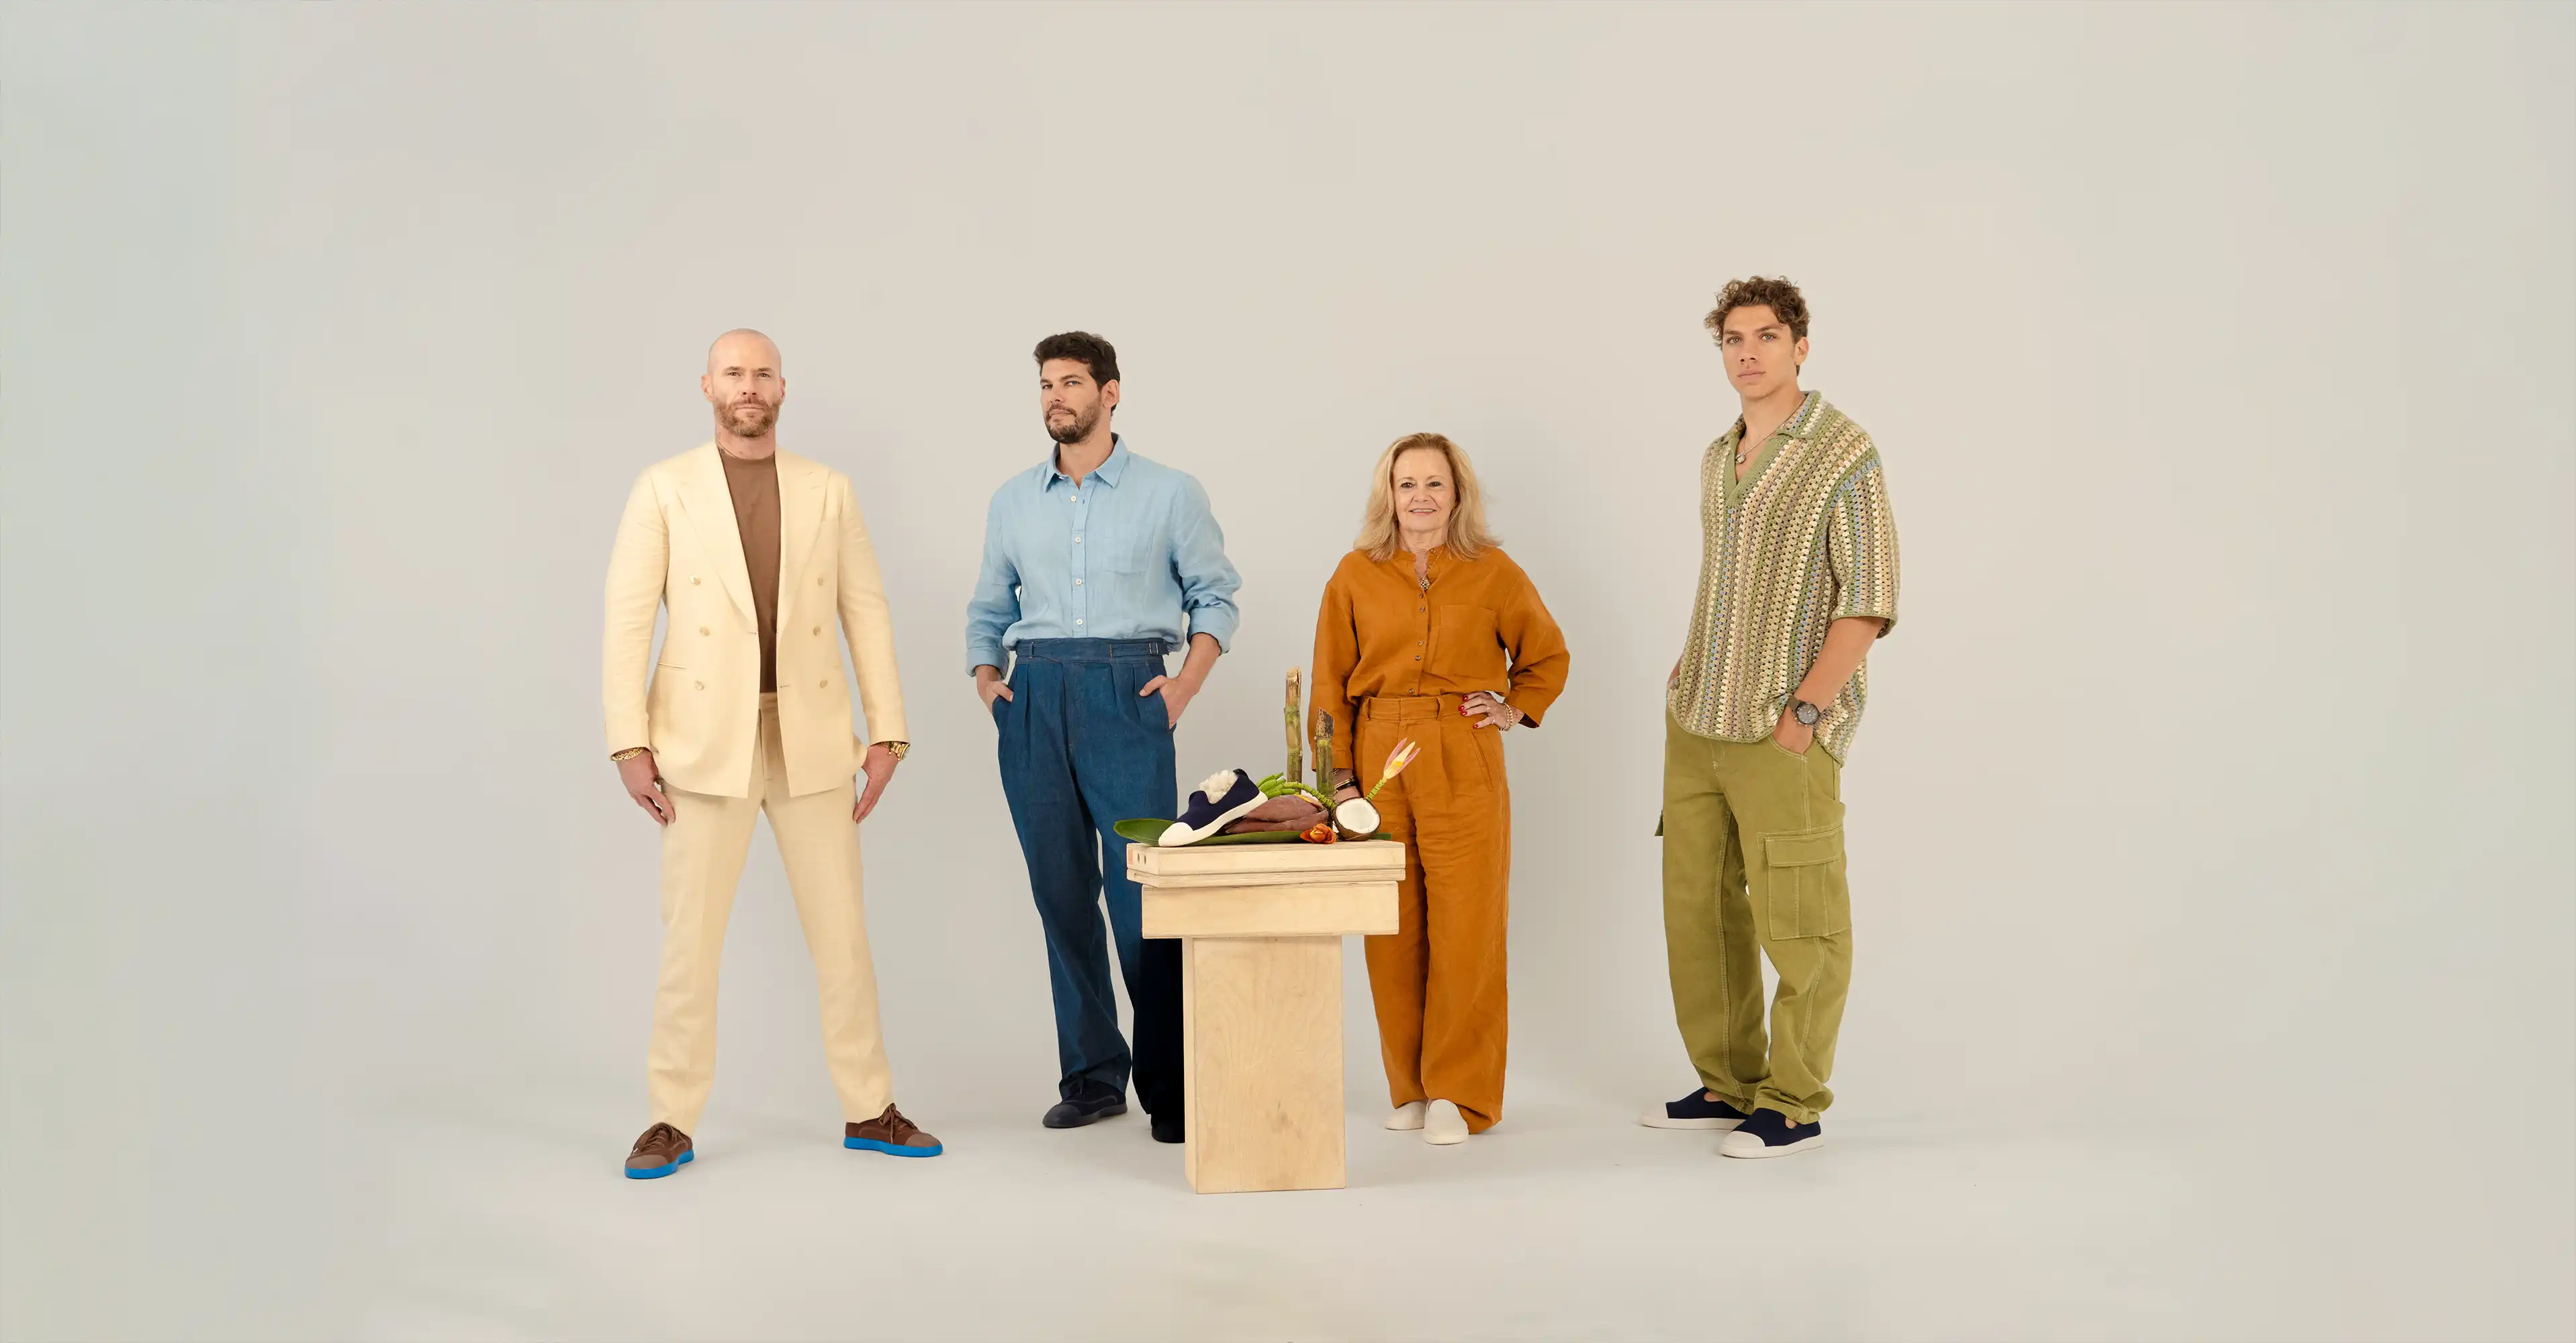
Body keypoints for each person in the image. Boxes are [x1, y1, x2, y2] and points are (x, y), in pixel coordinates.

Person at [602, 329, 940, 1178]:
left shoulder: (828, 490)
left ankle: (870, 1106)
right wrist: (628, 740)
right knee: (690, 940)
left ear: (782, 387)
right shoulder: (663, 488)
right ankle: (669, 1119)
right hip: (699, 738)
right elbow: (626, 620)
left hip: (813, 735)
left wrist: (888, 730)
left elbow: (868, 610)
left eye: (760, 373)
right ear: (706, 386)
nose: (746, 386)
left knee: (843, 935)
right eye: (732, 373)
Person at [1643, 277, 1900, 1158]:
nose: (1747, 352)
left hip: (1780, 727)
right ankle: (1728, 1080)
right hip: (1699, 715)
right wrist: (1687, 663)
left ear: (1800, 345)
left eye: (1765, 335)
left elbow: (1867, 601)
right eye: (1732, 339)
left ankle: (1793, 1100)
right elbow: (1727, 578)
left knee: (1802, 917)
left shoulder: (1844, 451)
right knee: (1699, 910)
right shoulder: (1720, 454)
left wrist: (1807, 710)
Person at [966, 331, 1242, 1144]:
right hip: (1035, 694)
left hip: (1128, 692)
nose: (1056, 396)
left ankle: (1173, 1084)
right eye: (1046, 384)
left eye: (1072, 382)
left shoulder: (1169, 492)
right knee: (1059, 893)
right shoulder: (1013, 499)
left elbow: (1216, 597)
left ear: (1110, 392)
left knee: (1141, 895)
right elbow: (988, 606)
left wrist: (1182, 687)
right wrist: (991, 683)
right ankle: (1091, 1076)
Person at [1308, 433, 1569, 1146]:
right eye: (1405, 484)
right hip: (1377, 752)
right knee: (1390, 927)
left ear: (1457, 494)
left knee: (1466, 925)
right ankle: (1411, 1086)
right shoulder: (1354, 573)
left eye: (1434, 483)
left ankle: (1461, 1092)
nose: (1419, 496)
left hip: (1462, 747)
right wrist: (1335, 774)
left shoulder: (1494, 572)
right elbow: (1329, 679)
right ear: (1386, 495)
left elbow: (1546, 655)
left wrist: (1512, 705)